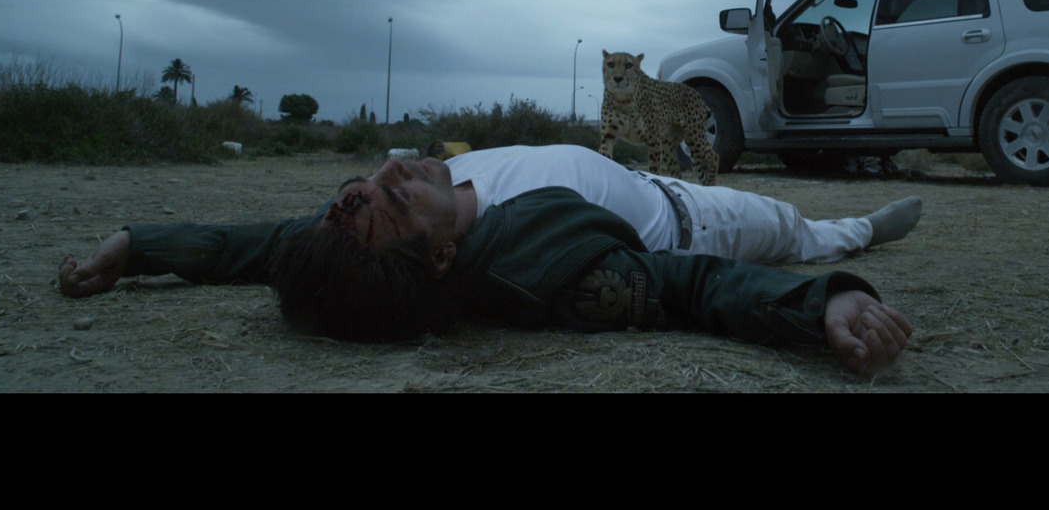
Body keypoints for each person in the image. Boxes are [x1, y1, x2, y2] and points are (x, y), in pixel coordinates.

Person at [59, 145, 919, 374]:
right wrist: (821, 308)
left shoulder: (351, 233)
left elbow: (251, 244)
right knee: (797, 230)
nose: (392, 174)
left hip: (625, 171)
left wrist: (136, 247)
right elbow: (691, 286)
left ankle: (847, 230)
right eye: (393, 200)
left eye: (359, 187)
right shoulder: (546, 271)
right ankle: (863, 231)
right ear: (438, 261)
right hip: (687, 215)